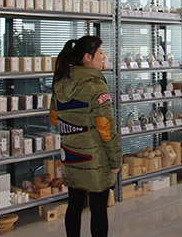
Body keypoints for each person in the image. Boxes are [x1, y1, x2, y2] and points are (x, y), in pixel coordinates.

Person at [50, 36, 123, 237]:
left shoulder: (60, 82)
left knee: (74, 205)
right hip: (95, 159)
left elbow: (54, 119)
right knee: (98, 209)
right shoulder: (95, 86)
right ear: (87, 58)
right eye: (100, 53)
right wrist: (116, 160)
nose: (103, 57)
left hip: (71, 155)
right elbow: (105, 128)